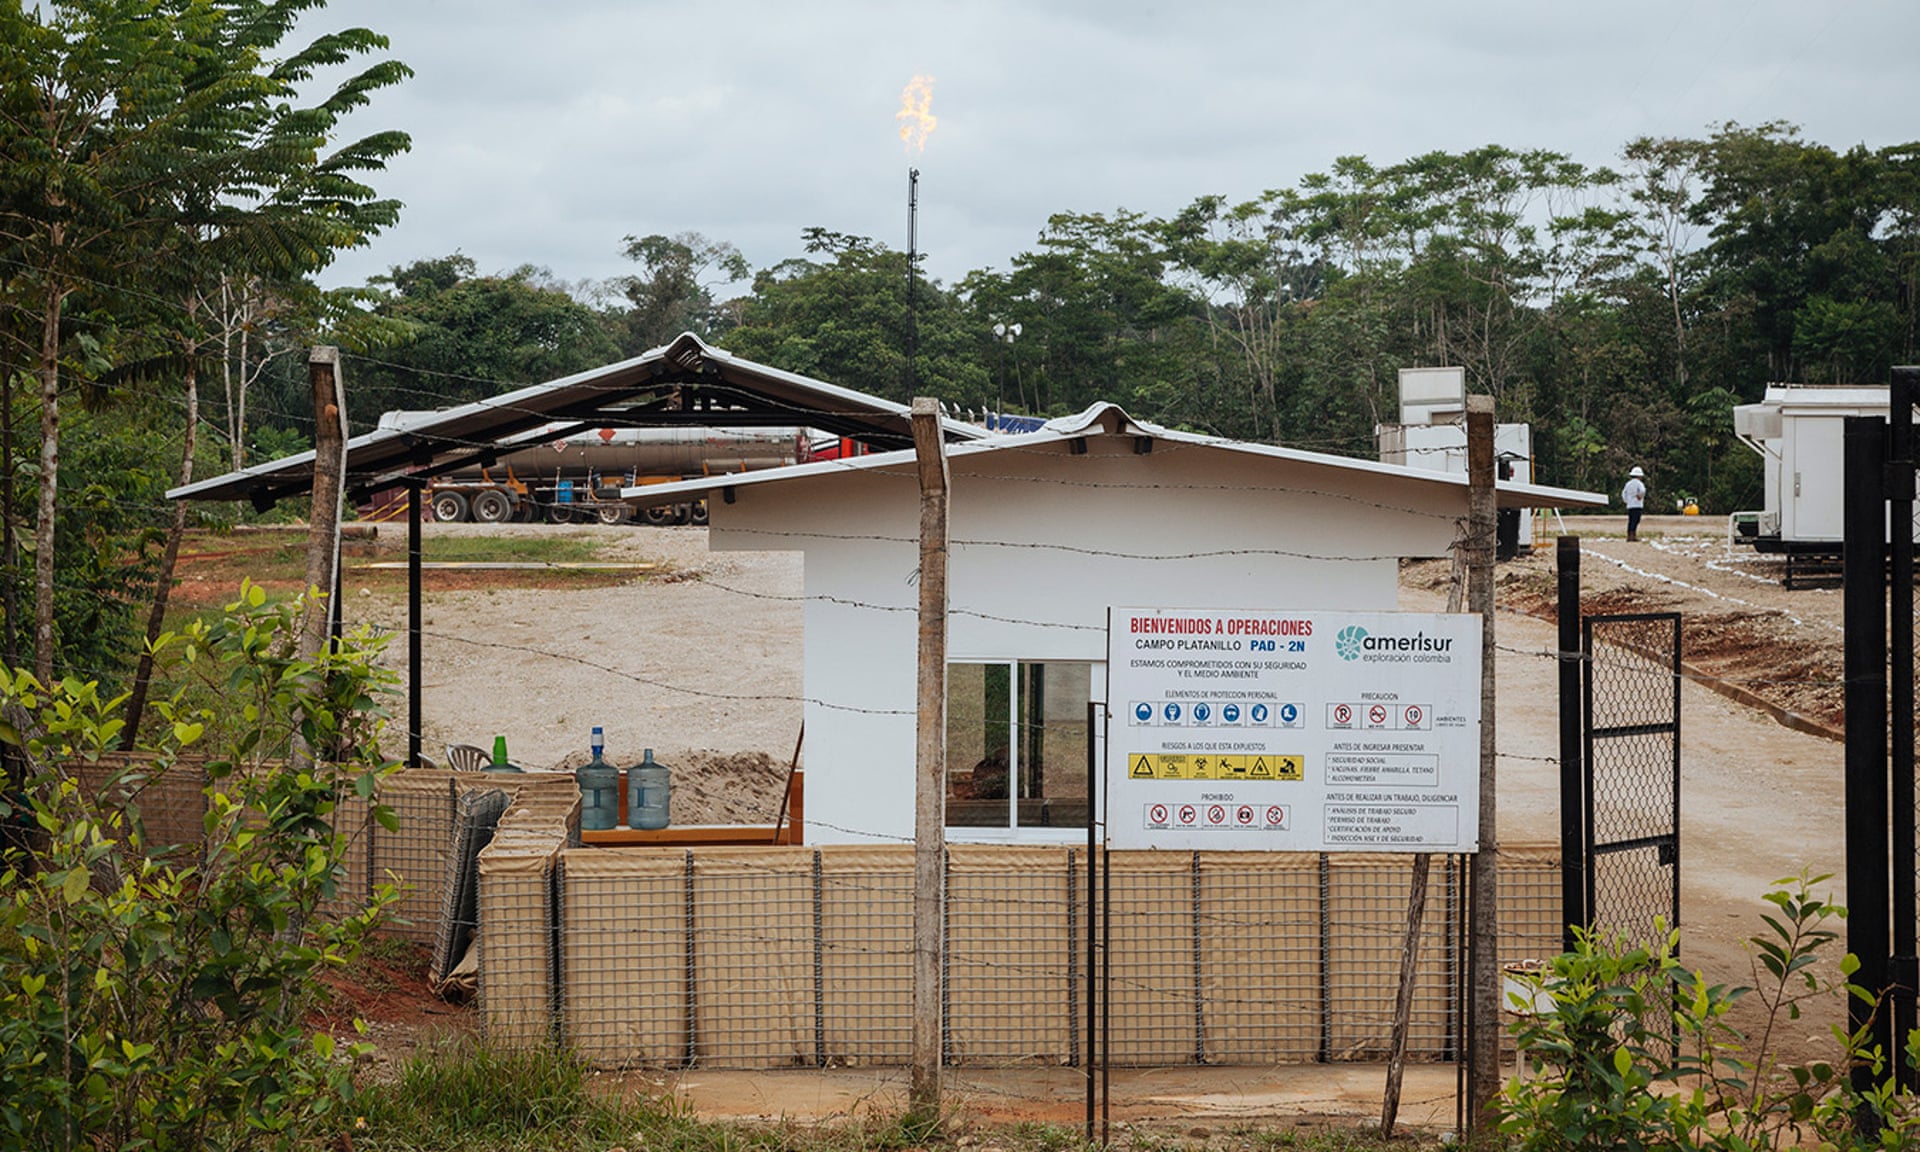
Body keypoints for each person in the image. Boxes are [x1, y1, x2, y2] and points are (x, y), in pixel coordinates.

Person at [1622, 466, 1647, 542]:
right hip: (1637, 505)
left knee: (1631, 520)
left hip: (1630, 505)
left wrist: (1626, 501)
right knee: (1636, 520)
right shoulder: (1639, 483)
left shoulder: (1628, 484)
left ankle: (1629, 535)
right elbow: (1643, 491)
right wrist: (1640, 496)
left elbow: (1623, 493)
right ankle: (1633, 535)